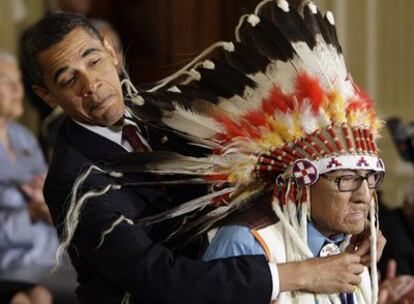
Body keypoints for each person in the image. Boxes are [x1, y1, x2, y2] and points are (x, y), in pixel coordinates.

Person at [20, 8, 384, 304]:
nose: (92, 84)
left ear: (111, 52)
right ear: (47, 95)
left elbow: (268, 183)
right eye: (69, 80)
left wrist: (341, 232)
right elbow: (160, 278)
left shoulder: (161, 111)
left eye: (94, 60)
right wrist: (300, 273)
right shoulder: (73, 180)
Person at [0, 50, 54, 304]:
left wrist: (49, 203)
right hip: (8, 261)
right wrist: (30, 214)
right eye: (6, 82)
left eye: (18, 81)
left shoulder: (24, 138)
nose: (18, 90)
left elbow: (49, 192)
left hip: (47, 256)